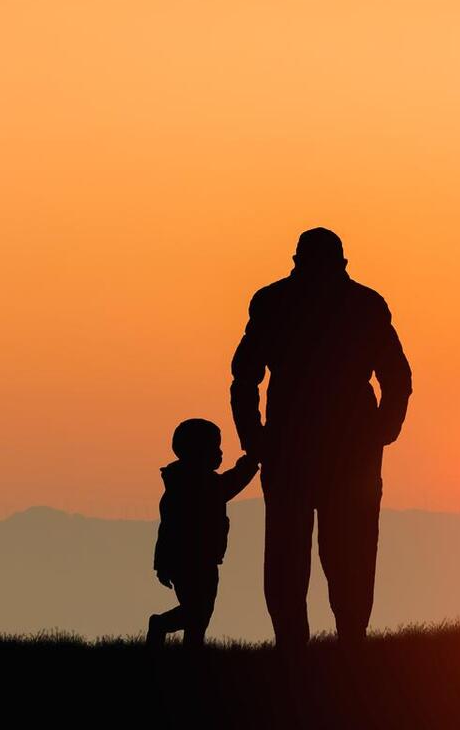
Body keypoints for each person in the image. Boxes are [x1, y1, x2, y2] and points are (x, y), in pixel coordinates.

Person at [230, 227, 412, 649]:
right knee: (335, 552)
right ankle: (340, 643)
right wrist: (383, 430)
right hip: (323, 449)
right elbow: (397, 378)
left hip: (313, 448)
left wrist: (255, 437)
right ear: (342, 262)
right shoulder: (362, 304)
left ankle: (318, 645)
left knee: (309, 553)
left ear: (296, 260)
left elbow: (244, 378)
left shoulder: (278, 301)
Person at [147, 418, 258, 648]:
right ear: (198, 452)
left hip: (201, 559)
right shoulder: (198, 485)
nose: (220, 453)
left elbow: (165, 530)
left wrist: (161, 564)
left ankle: (192, 651)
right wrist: (249, 463)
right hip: (192, 560)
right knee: (198, 610)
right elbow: (230, 484)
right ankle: (161, 624)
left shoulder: (182, 484)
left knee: (200, 611)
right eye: (215, 448)